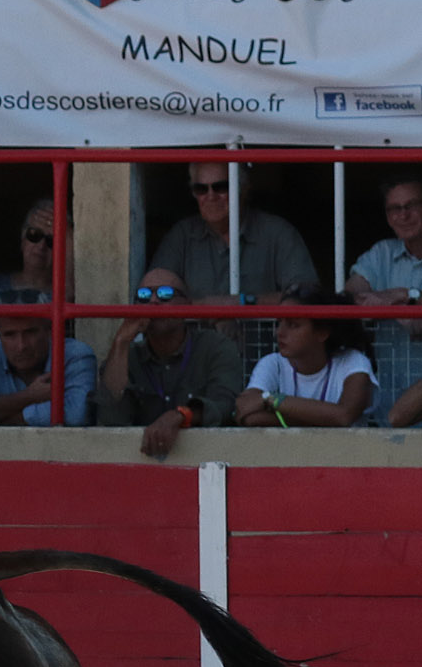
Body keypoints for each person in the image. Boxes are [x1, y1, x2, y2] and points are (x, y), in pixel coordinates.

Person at [96, 270, 244, 457]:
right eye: (144, 296)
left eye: (166, 294)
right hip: (141, 465)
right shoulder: (128, 355)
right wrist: (121, 342)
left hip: (211, 461)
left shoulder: (216, 347)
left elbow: (225, 405)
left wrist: (180, 416)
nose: (154, 302)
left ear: (187, 306)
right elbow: (110, 418)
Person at [149, 161, 317, 307]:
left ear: (243, 189)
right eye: (201, 189)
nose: (211, 196)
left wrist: (243, 302)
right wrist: (205, 308)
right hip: (199, 344)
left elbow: (307, 296)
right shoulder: (181, 236)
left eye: (221, 187)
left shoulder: (278, 233)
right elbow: (153, 295)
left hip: (266, 343)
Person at [234, 287, 375, 428]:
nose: (279, 332)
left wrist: (272, 399)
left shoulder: (353, 362)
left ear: (322, 332)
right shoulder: (272, 363)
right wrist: (323, 419)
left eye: (293, 325)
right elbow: (247, 414)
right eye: (279, 322)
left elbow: (344, 416)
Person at [345, 173, 422, 421]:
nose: (403, 215)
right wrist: (397, 303)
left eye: (411, 205)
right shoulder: (382, 253)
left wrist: (403, 295)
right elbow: (347, 298)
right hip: (387, 402)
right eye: (394, 209)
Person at [0, 315, 95, 427]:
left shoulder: (74, 354)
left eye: (30, 332)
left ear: (50, 332)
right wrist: (28, 397)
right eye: (10, 335)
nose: (21, 345)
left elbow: (77, 414)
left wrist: (2, 421)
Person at [0, 199, 66, 305]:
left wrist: (68, 232)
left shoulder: (64, 293)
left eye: (51, 240)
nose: (41, 246)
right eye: (34, 235)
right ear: (23, 238)